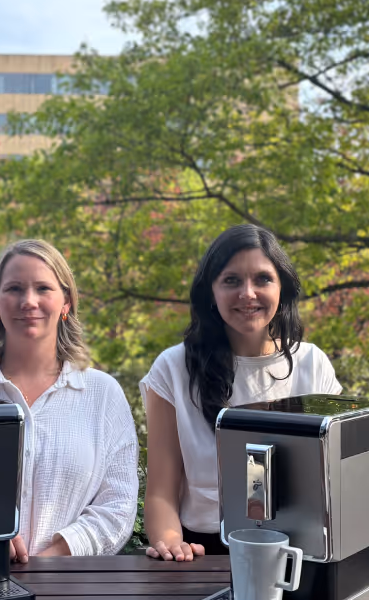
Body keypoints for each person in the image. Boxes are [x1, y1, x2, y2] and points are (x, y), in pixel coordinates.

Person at [141, 224, 341, 562]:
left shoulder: (313, 364)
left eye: (263, 279)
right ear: (211, 292)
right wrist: (172, 543)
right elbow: (161, 490)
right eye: (231, 280)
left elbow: (334, 484)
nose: (247, 294)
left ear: (283, 289)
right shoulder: (173, 368)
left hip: (301, 552)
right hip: (203, 551)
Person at [0, 239, 138, 561]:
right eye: (14, 289)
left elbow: (118, 505)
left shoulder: (103, 395)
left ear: (66, 302)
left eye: (43, 288)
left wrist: (53, 556)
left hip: (72, 590)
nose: (29, 301)